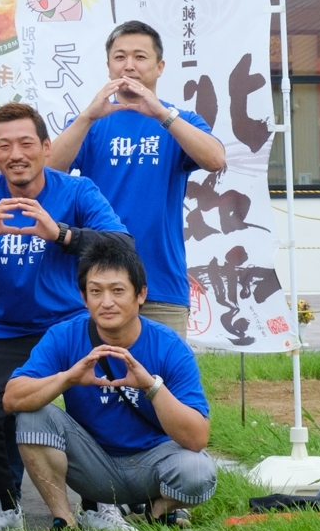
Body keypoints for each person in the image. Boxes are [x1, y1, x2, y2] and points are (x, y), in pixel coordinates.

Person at [0, 101, 131, 531]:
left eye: (25, 143)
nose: (16, 153)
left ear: (45, 147)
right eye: (5, 145)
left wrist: (60, 234)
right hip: (4, 329)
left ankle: (100, 505)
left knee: (100, 405)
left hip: (71, 325)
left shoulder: (76, 191)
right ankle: (2, 507)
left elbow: (121, 245)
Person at [5, 242, 217, 531]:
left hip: (153, 462)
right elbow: (12, 397)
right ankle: (65, 521)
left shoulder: (168, 347)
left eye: (118, 291)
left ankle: (157, 512)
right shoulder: (65, 335)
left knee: (199, 470)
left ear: (140, 294)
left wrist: (151, 386)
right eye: (96, 291)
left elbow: (197, 438)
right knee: (31, 415)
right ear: (83, 296)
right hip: (92, 463)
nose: (106, 302)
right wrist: (67, 377)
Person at [46, 20, 227, 336]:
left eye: (140, 57)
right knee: (97, 381)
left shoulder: (179, 120)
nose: (129, 66)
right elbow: (48, 172)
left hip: (160, 284)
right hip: (99, 283)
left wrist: (161, 114)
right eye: (120, 57)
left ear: (159, 67)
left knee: (165, 381)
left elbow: (215, 160)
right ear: (108, 67)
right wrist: (87, 116)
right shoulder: (91, 123)